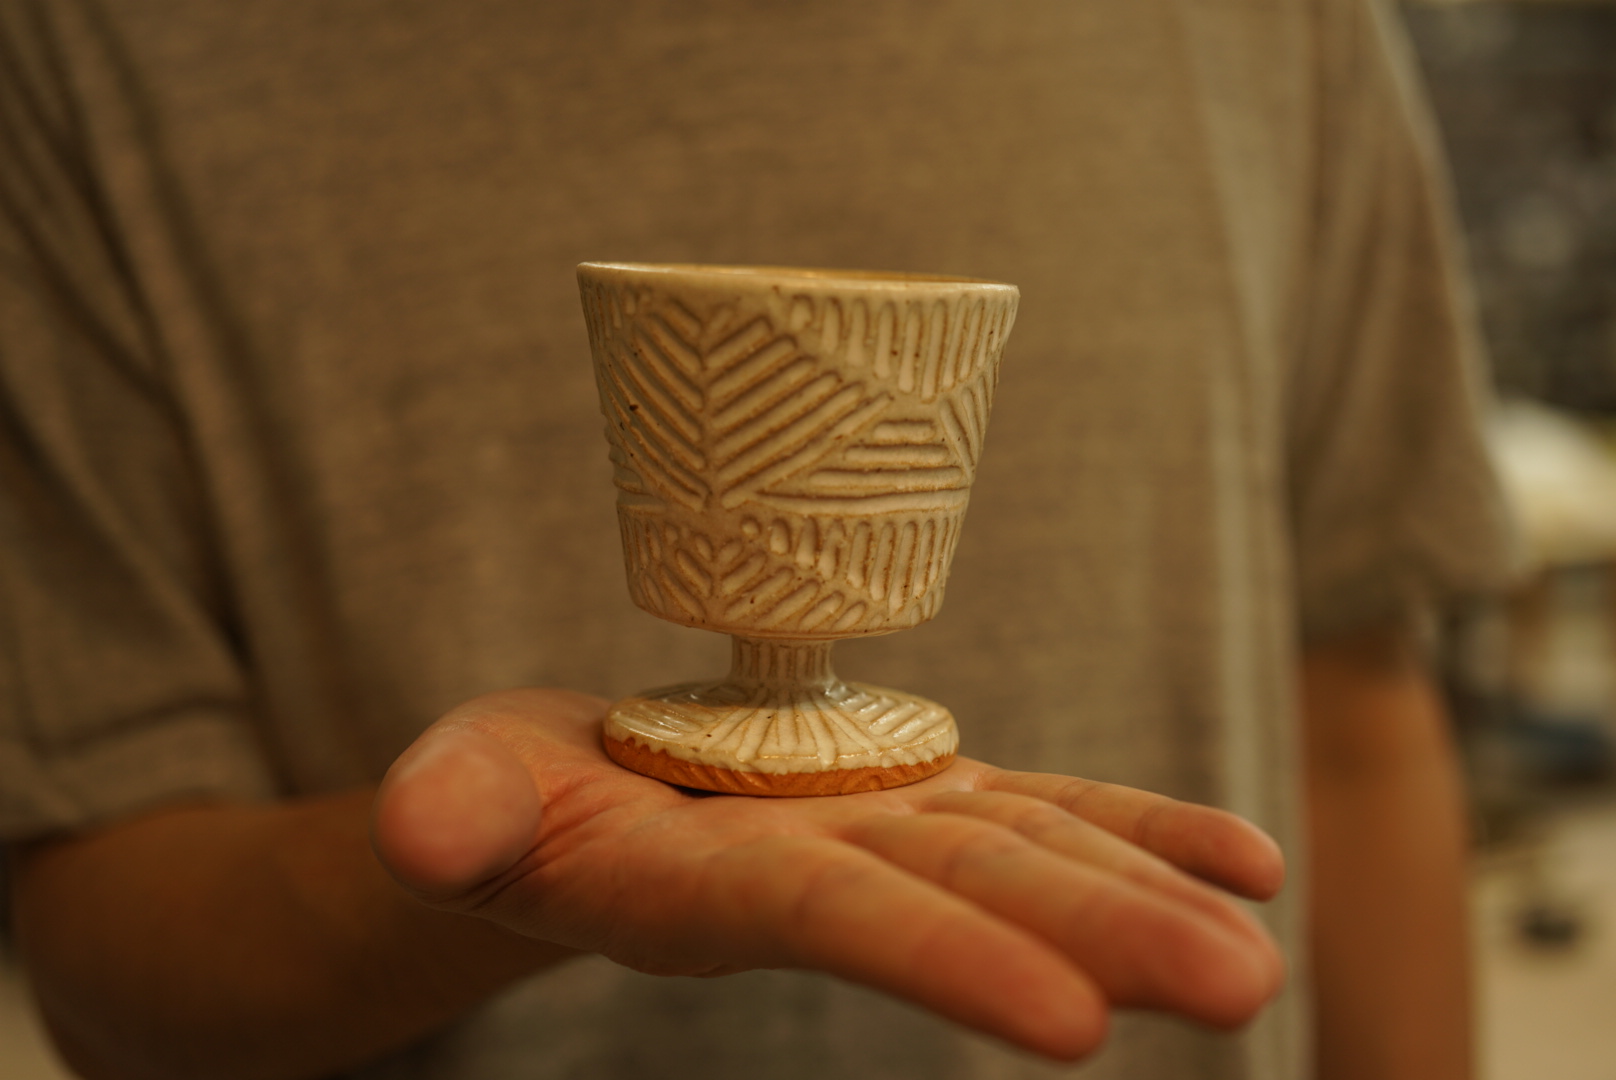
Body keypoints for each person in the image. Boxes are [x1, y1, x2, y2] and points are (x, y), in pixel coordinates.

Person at [0, 1, 1513, 1078]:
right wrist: (486, 880)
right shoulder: (94, 43)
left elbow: (1359, 718)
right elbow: (98, 920)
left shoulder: (1281, 24)